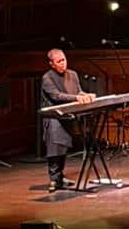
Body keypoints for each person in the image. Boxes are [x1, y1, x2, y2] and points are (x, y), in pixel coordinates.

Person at [39, 47, 94, 191]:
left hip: (67, 116)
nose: (63, 63)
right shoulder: (47, 78)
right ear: (52, 64)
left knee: (63, 147)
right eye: (59, 61)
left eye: (64, 60)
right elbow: (56, 96)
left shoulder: (73, 75)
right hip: (54, 117)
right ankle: (54, 178)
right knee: (54, 148)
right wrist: (77, 98)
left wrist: (86, 95)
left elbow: (78, 91)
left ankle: (60, 176)